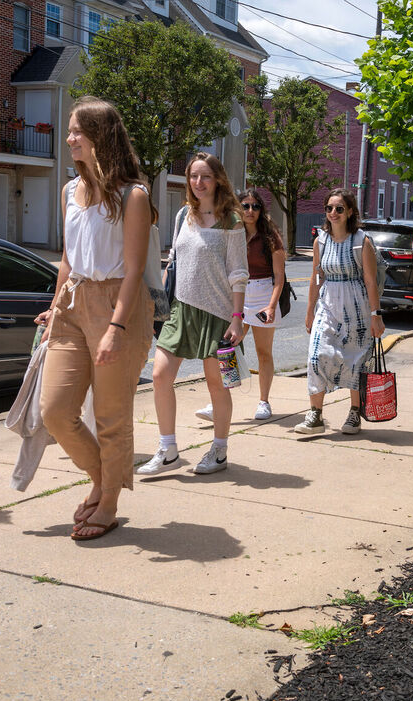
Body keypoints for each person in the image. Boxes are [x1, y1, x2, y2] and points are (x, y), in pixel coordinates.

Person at [36, 96, 155, 541]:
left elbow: (135, 269)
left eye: (76, 133)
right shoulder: (70, 190)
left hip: (116, 305)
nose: (69, 139)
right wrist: (54, 309)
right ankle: (102, 478)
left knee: (110, 415)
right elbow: (67, 258)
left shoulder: (133, 195)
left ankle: (109, 502)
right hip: (73, 302)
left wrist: (117, 329)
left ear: (99, 137)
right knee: (56, 410)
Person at [137, 153, 247, 476]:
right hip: (181, 310)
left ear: (218, 181)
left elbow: (239, 273)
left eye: (205, 177)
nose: (198, 183)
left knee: (218, 385)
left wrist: (237, 318)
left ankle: (219, 449)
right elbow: (173, 261)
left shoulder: (232, 221)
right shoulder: (183, 214)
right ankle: (168, 448)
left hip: (218, 314)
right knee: (159, 375)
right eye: (193, 177)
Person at [294, 189, 384, 436]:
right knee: (316, 356)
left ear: (350, 212)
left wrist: (376, 314)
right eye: (329, 208)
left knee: (356, 360)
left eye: (339, 209)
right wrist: (309, 310)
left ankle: (355, 412)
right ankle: (315, 415)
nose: (333, 213)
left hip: (357, 306)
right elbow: (315, 277)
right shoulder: (320, 241)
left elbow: (370, 281)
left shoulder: (361, 242)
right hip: (327, 303)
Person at [195, 188, 285, 422]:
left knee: (263, 353)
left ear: (261, 210)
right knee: (227, 349)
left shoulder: (270, 235)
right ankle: (219, 403)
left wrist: (272, 306)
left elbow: (279, 276)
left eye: (255, 206)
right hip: (237, 295)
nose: (250, 210)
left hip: (263, 293)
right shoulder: (232, 231)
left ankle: (264, 402)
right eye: (245, 205)